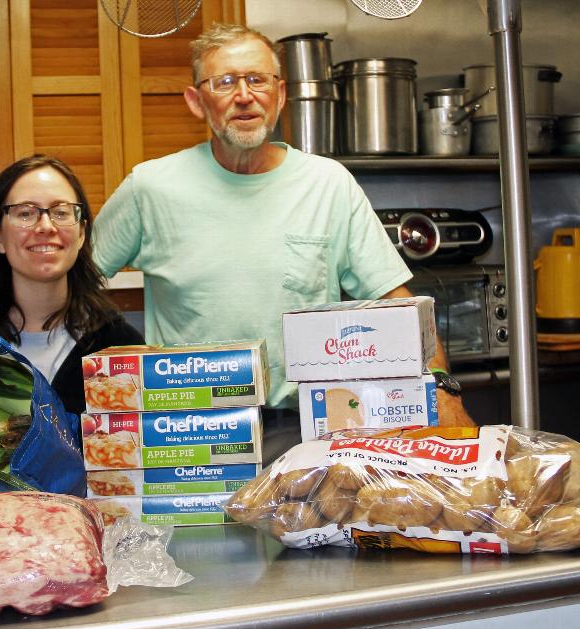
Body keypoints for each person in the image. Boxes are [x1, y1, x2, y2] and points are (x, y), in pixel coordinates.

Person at [91, 23, 474, 437]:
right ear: (196, 101)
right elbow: (74, 283)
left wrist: (442, 389)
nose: (244, 95)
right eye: (224, 82)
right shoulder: (150, 187)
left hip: (304, 426)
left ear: (281, 95)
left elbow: (398, 303)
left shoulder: (328, 183)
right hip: (187, 429)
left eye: (257, 80)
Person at [0, 154, 144, 416]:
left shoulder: (120, 347)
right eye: (25, 213)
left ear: (81, 234)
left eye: (61, 212)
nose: (45, 226)